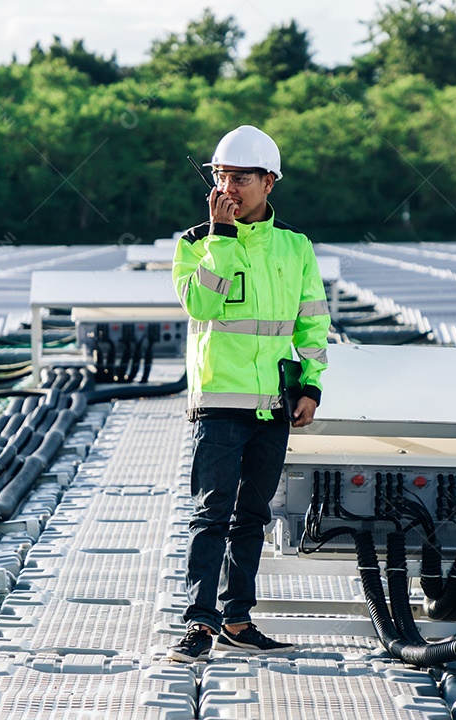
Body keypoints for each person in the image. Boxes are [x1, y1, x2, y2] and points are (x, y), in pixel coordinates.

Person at [167, 125, 330, 662]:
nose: (228, 186)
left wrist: (311, 387)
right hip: (219, 402)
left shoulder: (295, 247)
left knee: (252, 517)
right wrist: (222, 237)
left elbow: (312, 323)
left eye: (240, 177)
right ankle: (199, 624)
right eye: (220, 176)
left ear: (269, 183)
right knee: (210, 516)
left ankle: (238, 618)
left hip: (274, 404)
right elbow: (204, 307)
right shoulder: (196, 244)